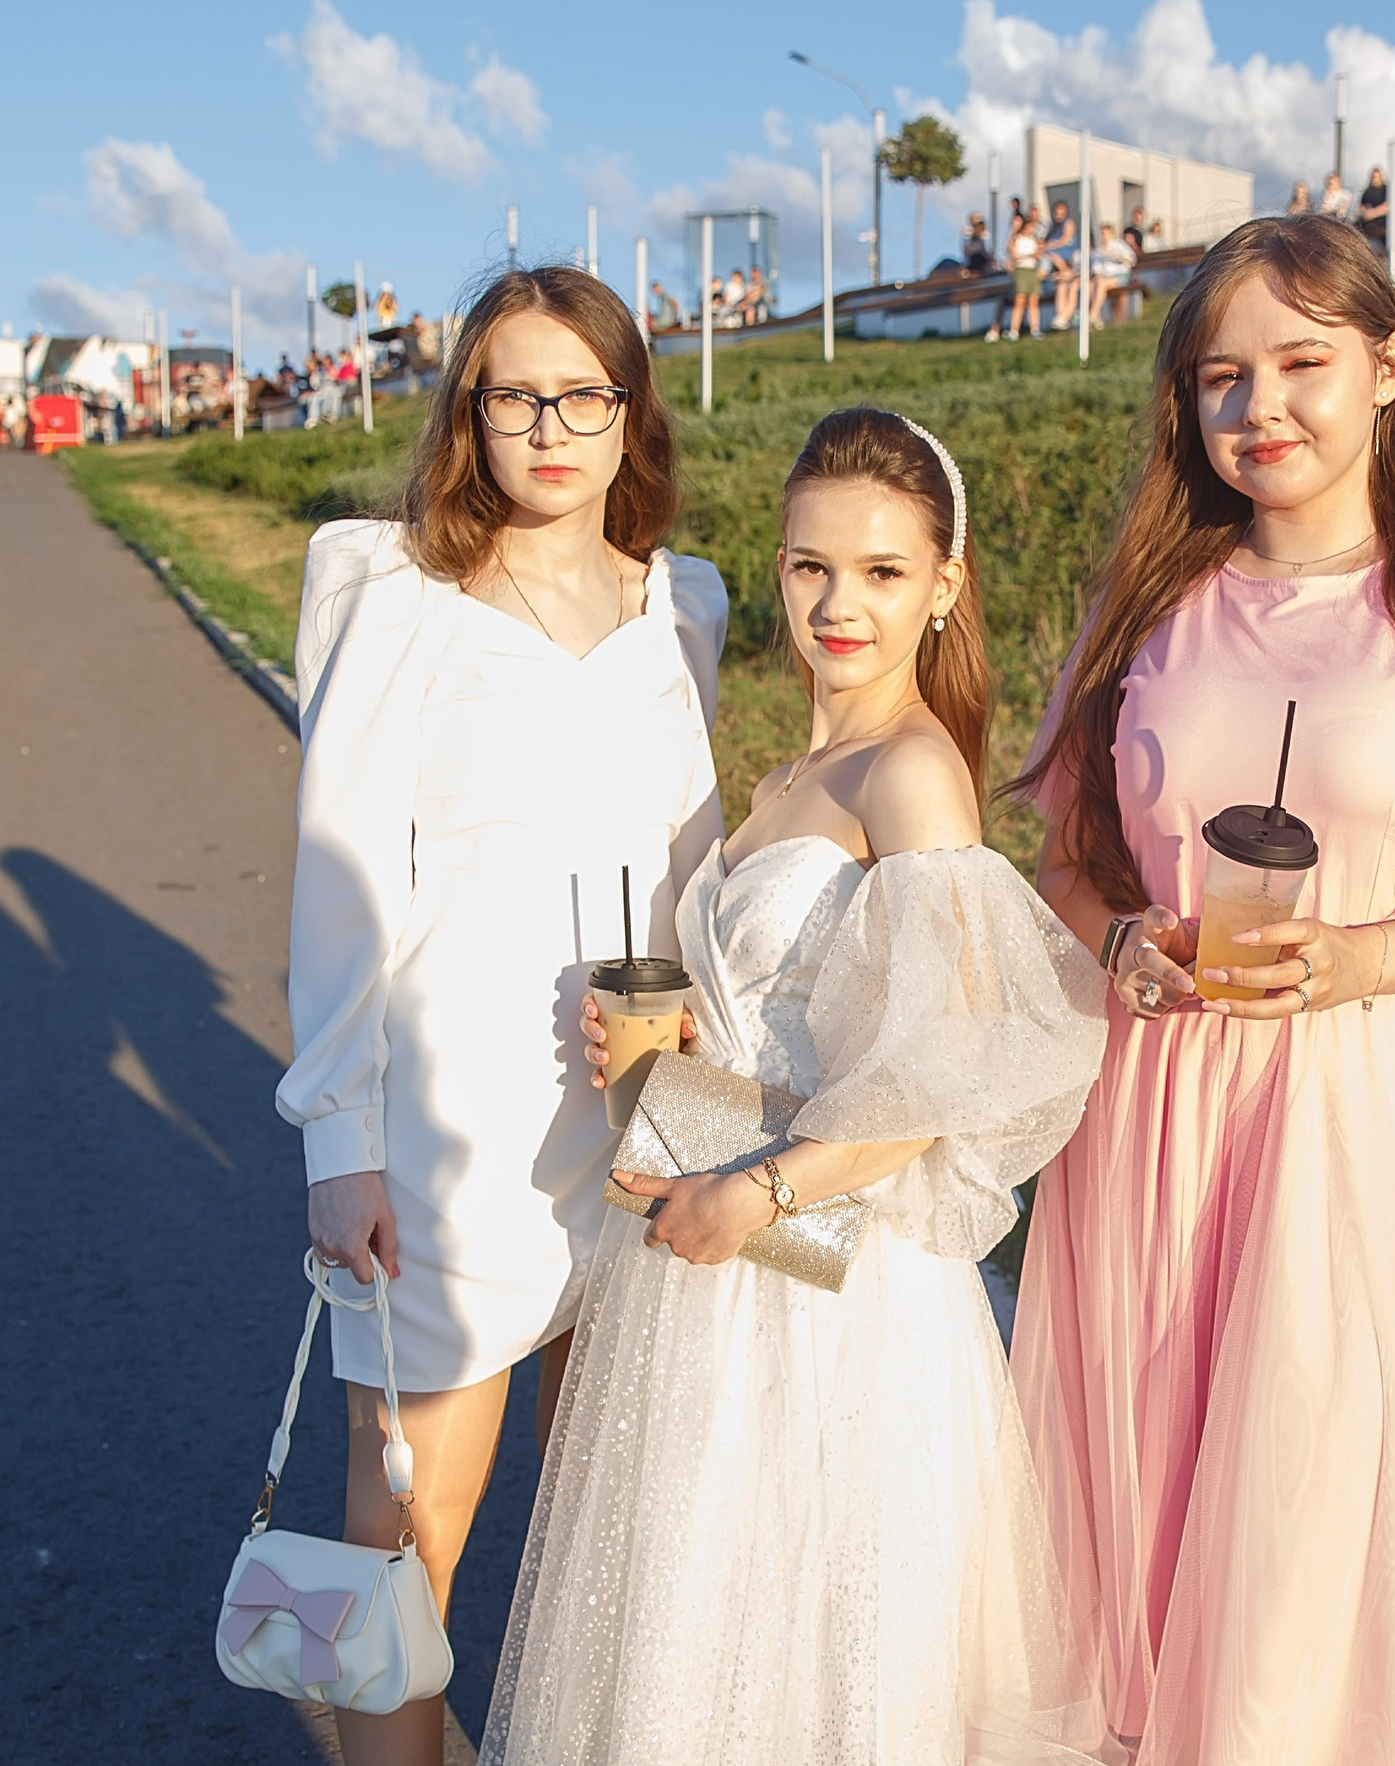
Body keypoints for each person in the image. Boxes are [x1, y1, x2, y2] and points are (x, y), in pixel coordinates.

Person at [1011, 213, 1395, 1766]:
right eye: (1222, 376)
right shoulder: (1145, 603)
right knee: (1146, 1492)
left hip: (1359, 1105)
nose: (1260, 406)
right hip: (1150, 1105)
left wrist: (1359, 958)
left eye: (1302, 362)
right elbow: (1068, 866)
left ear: (1389, 366)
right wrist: (1119, 940)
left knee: (1311, 1495)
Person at [481, 407, 1110, 1765]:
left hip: (837, 1290)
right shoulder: (783, 775)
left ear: (943, 585)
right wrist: (676, 1069)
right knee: (695, 1635)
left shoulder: (914, 774)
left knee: (815, 1652)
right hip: (715, 1251)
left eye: (883, 571)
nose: (839, 605)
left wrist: (753, 1193)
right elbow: (796, 1042)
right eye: (811, 565)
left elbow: (938, 1082)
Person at [284, 265, 727, 1766]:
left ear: (630, 413)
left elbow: (692, 873)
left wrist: (713, 1092)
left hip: (638, 1118)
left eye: (582, 395)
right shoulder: (394, 594)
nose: (550, 427)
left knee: (612, 1532)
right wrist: (338, 1141)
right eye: (515, 394)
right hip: (453, 1125)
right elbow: (342, 877)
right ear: (468, 412)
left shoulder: (684, 604)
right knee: (405, 1548)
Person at [1000, 204, 1045, 340]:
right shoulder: (1017, 239)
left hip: (1032, 270)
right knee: (1019, 301)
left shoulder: (1033, 240)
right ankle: (1014, 330)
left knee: (1033, 301)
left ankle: (1035, 329)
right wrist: (1013, 230)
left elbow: (1038, 255)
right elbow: (1012, 254)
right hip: (1021, 270)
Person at [1046, 199, 1082, 328]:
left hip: (1070, 261)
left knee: (1073, 286)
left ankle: (1066, 316)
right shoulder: (1052, 227)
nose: (1059, 215)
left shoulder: (1068, 223)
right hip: (1060, 266)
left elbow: (1064, 239)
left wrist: (1049, 246)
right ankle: (1061, 317)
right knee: (1062, 286)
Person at [1354, 164, 1391, 240]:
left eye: (1376, 177)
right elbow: (1360, 206)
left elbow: (1387, 205)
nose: (1375, 179)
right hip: (1366, 219)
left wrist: (1374, 213)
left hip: (1380, 220)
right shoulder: (1367, 191)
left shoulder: (1385, 189)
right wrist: (1365, 212)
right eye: (1373, 177)